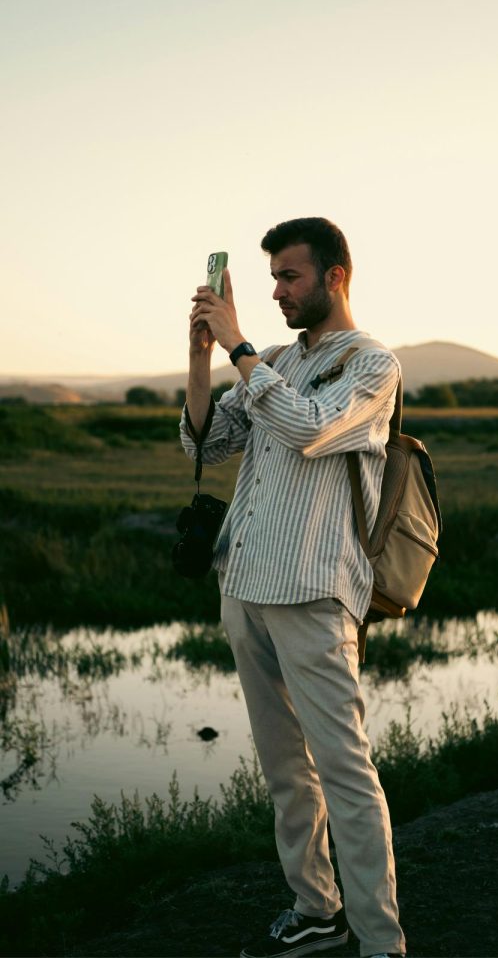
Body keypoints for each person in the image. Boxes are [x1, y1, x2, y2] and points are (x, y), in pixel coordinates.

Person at [181, 217, 406, 958]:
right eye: (272, 277)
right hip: (245, 586)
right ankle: (316, 909)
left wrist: (241, 347)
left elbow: (310, 427)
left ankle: (380, 942)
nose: (277, 291)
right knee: (285, 770)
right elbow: (207, 443)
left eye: (290, 276)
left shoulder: (371, 364)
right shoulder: (273, 357)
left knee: (343, 770)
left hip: (313, 593)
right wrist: (201, 358)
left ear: (334, 276)